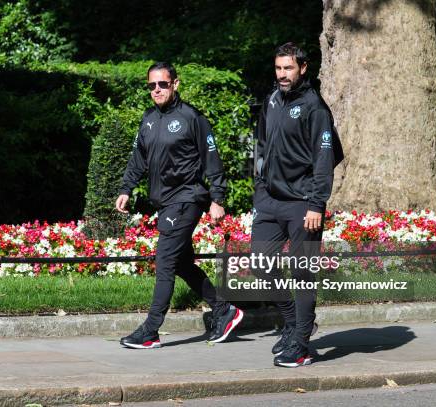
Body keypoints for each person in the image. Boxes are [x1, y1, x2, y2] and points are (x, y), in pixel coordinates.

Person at [115, 61, 243, 349]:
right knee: (183, 263)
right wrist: (126, 188)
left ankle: (150, 330)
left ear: (175, 83)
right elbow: (139, 158)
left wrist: (218, 198)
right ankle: (224, 310)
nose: (157, 90)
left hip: (187, 199)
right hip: (165, 202)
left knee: (165, 262)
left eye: (162, 84)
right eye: (152, 86)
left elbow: (212, 158)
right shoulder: (148, 119)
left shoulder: (192, 118)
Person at [252, 43, 342, 367]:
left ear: (303, 68)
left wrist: (317, 203)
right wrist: (259, 188)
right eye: (278, 68)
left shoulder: (314, 107)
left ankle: (301, 344)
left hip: (303, 204)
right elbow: (261, 146)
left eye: (288, 68)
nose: (282, 75)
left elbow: (325, 157)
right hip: (269, 201)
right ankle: (294, 323)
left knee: (302, 273)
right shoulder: (273, 99)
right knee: (262, 263)